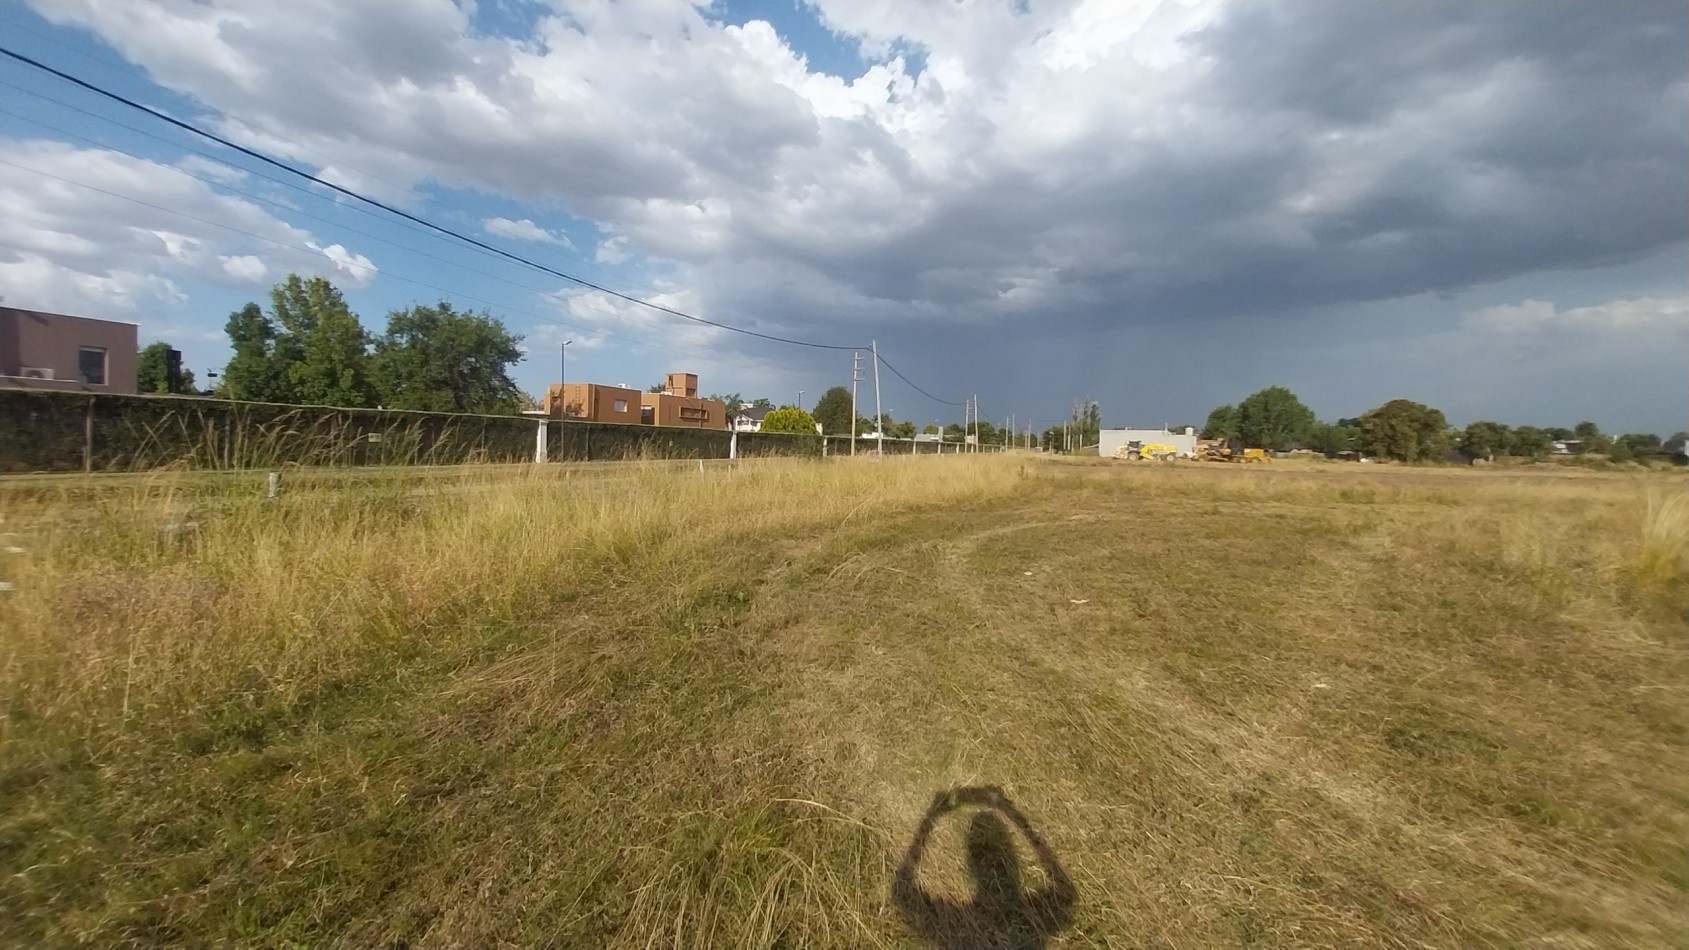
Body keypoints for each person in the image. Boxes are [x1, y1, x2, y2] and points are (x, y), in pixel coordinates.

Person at [892, 785, 1075, 949]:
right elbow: (1065, 893)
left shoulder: (961, 932)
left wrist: (931, 817)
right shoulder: (1029, 924)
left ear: (969, 869)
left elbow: (901, 893)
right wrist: (1017, 819)